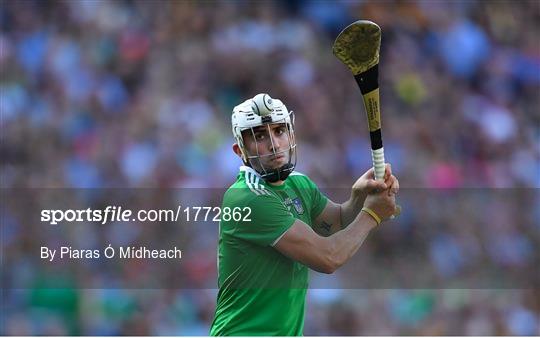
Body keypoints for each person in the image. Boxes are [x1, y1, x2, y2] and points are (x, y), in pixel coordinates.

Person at [210, 93, 399, 336]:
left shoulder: (298, 184)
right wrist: (372, 215)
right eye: (259, 136)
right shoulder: (248, 197)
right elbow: (328, 258)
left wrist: (359, 195)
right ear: (240, 150)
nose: (274, 143)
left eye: (279, 131)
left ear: (291, 135)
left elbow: (337, 222)